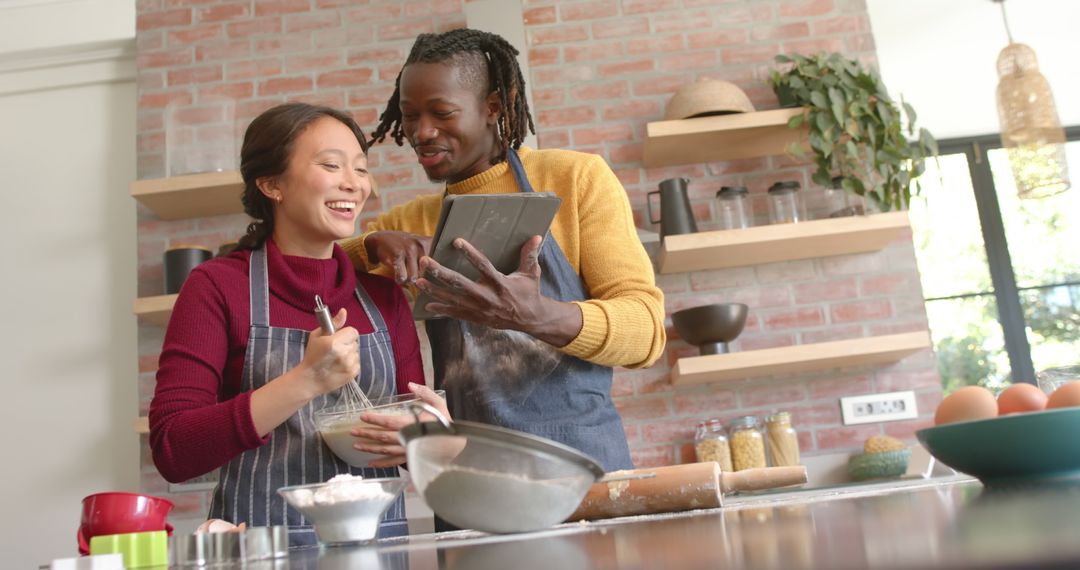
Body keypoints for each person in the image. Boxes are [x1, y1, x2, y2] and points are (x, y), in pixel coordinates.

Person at [343, 28, 666, 474]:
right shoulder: (410, 224)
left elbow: (647, 333)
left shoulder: (575, 179)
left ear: (492, 107)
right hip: (467, 478)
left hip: (582, 472)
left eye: (441, 112)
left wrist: (536, 315)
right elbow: (311, 270)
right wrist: (370, 243)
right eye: (409, 115)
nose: (421, 132)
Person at [148, 102, 445, 545]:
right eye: (331, 165)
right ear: (272, 184)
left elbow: (413, 449)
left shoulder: (384, 298)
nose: (354, 183)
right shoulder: (217, 287)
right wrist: (306, 380)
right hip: (260, 547)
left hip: (377, 550)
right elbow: (174, 450)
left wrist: (428, 440)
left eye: (361, 169)